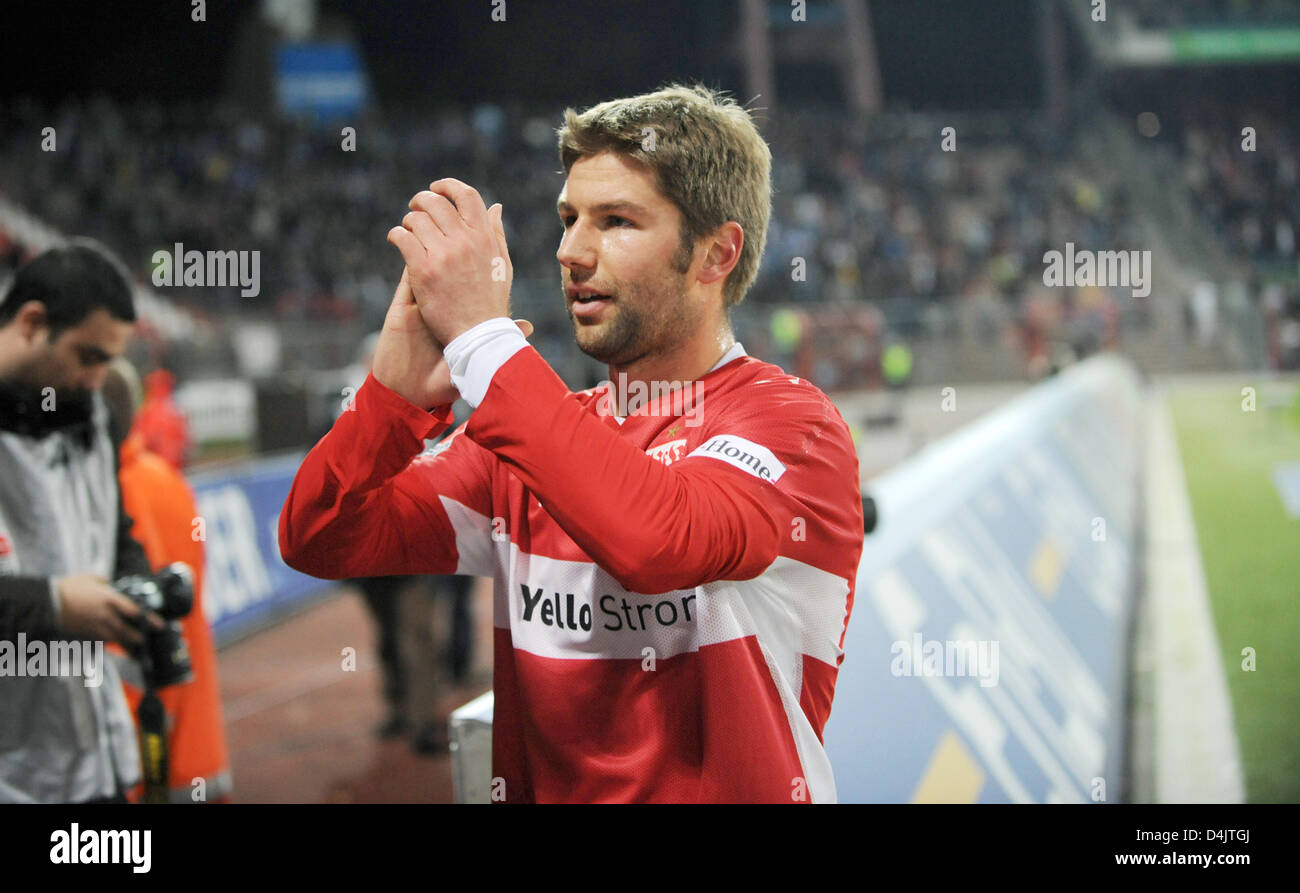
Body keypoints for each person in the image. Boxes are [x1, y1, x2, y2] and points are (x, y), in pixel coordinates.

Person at [279, 84, 864, 803]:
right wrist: (391, 404)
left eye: (615, 221)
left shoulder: (791, 425)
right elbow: (319, 535)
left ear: (716, 254)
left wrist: (487, 347)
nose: (569, 251)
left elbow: (658, 541)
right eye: (568, 218)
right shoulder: (521, 446)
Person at [0, 240, 159, 803]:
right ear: (32, 322)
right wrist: (55, 605)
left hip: (96, 757)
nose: (97, 380)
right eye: (88, 356)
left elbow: (114, 533)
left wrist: (136, 587)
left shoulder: (89, 413)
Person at [101, 359, 233, 802]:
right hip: (193, 725)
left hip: (155, 744)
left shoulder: (119, 487)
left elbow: (140, 623)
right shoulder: (163, 476)